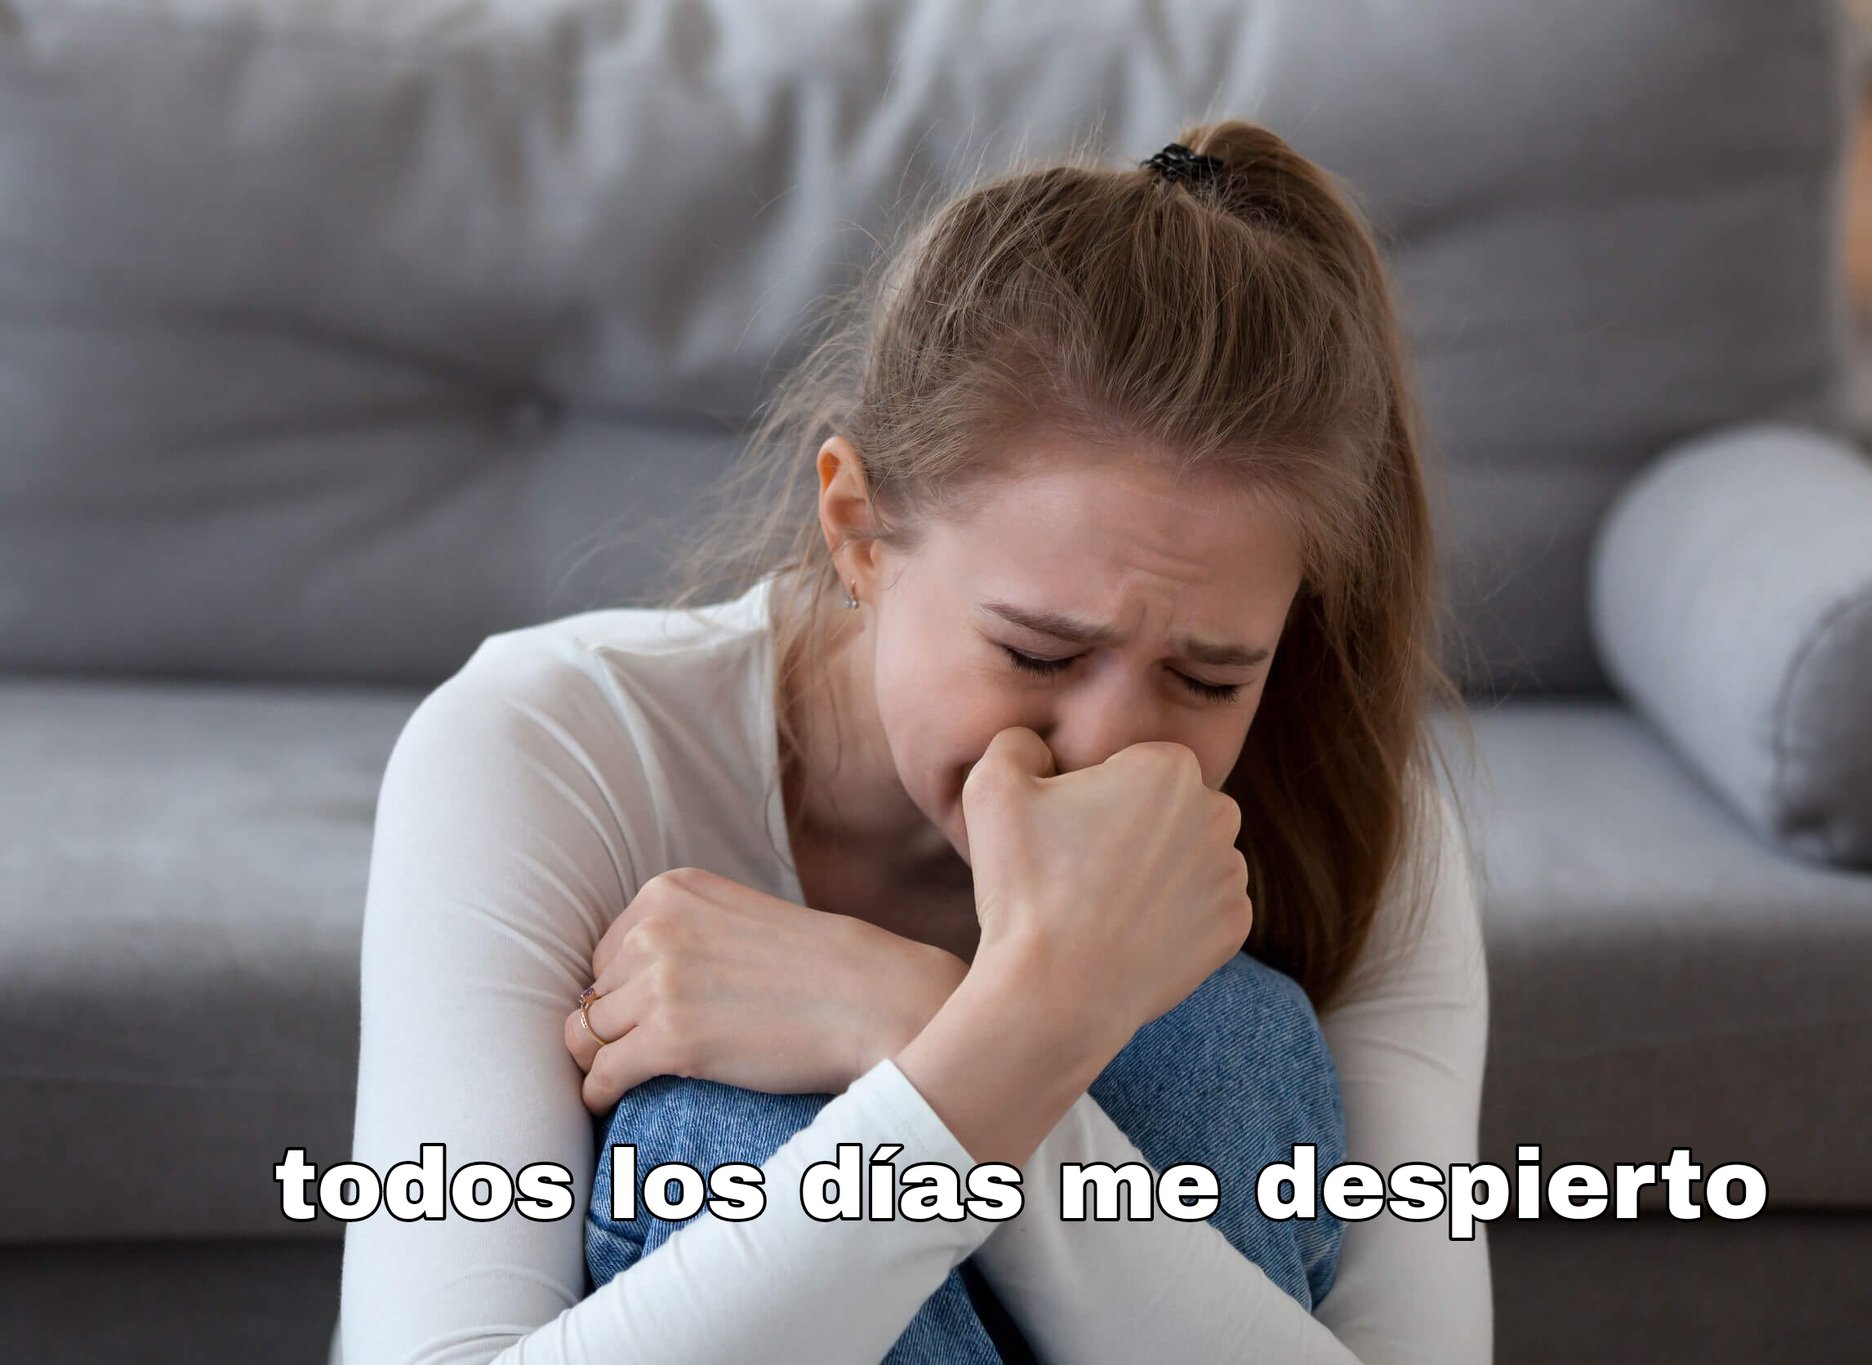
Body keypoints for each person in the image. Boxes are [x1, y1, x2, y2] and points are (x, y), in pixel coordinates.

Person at [336, 120, 1491, 1364]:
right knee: (731, 1132)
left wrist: (932, 1024)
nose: (1109, 745)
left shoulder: (1352, 809)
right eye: (1038, 653)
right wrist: (1000, 1046)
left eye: (1208, 677)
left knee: (1216, 1039)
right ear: (856, 531)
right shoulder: (550, 744)